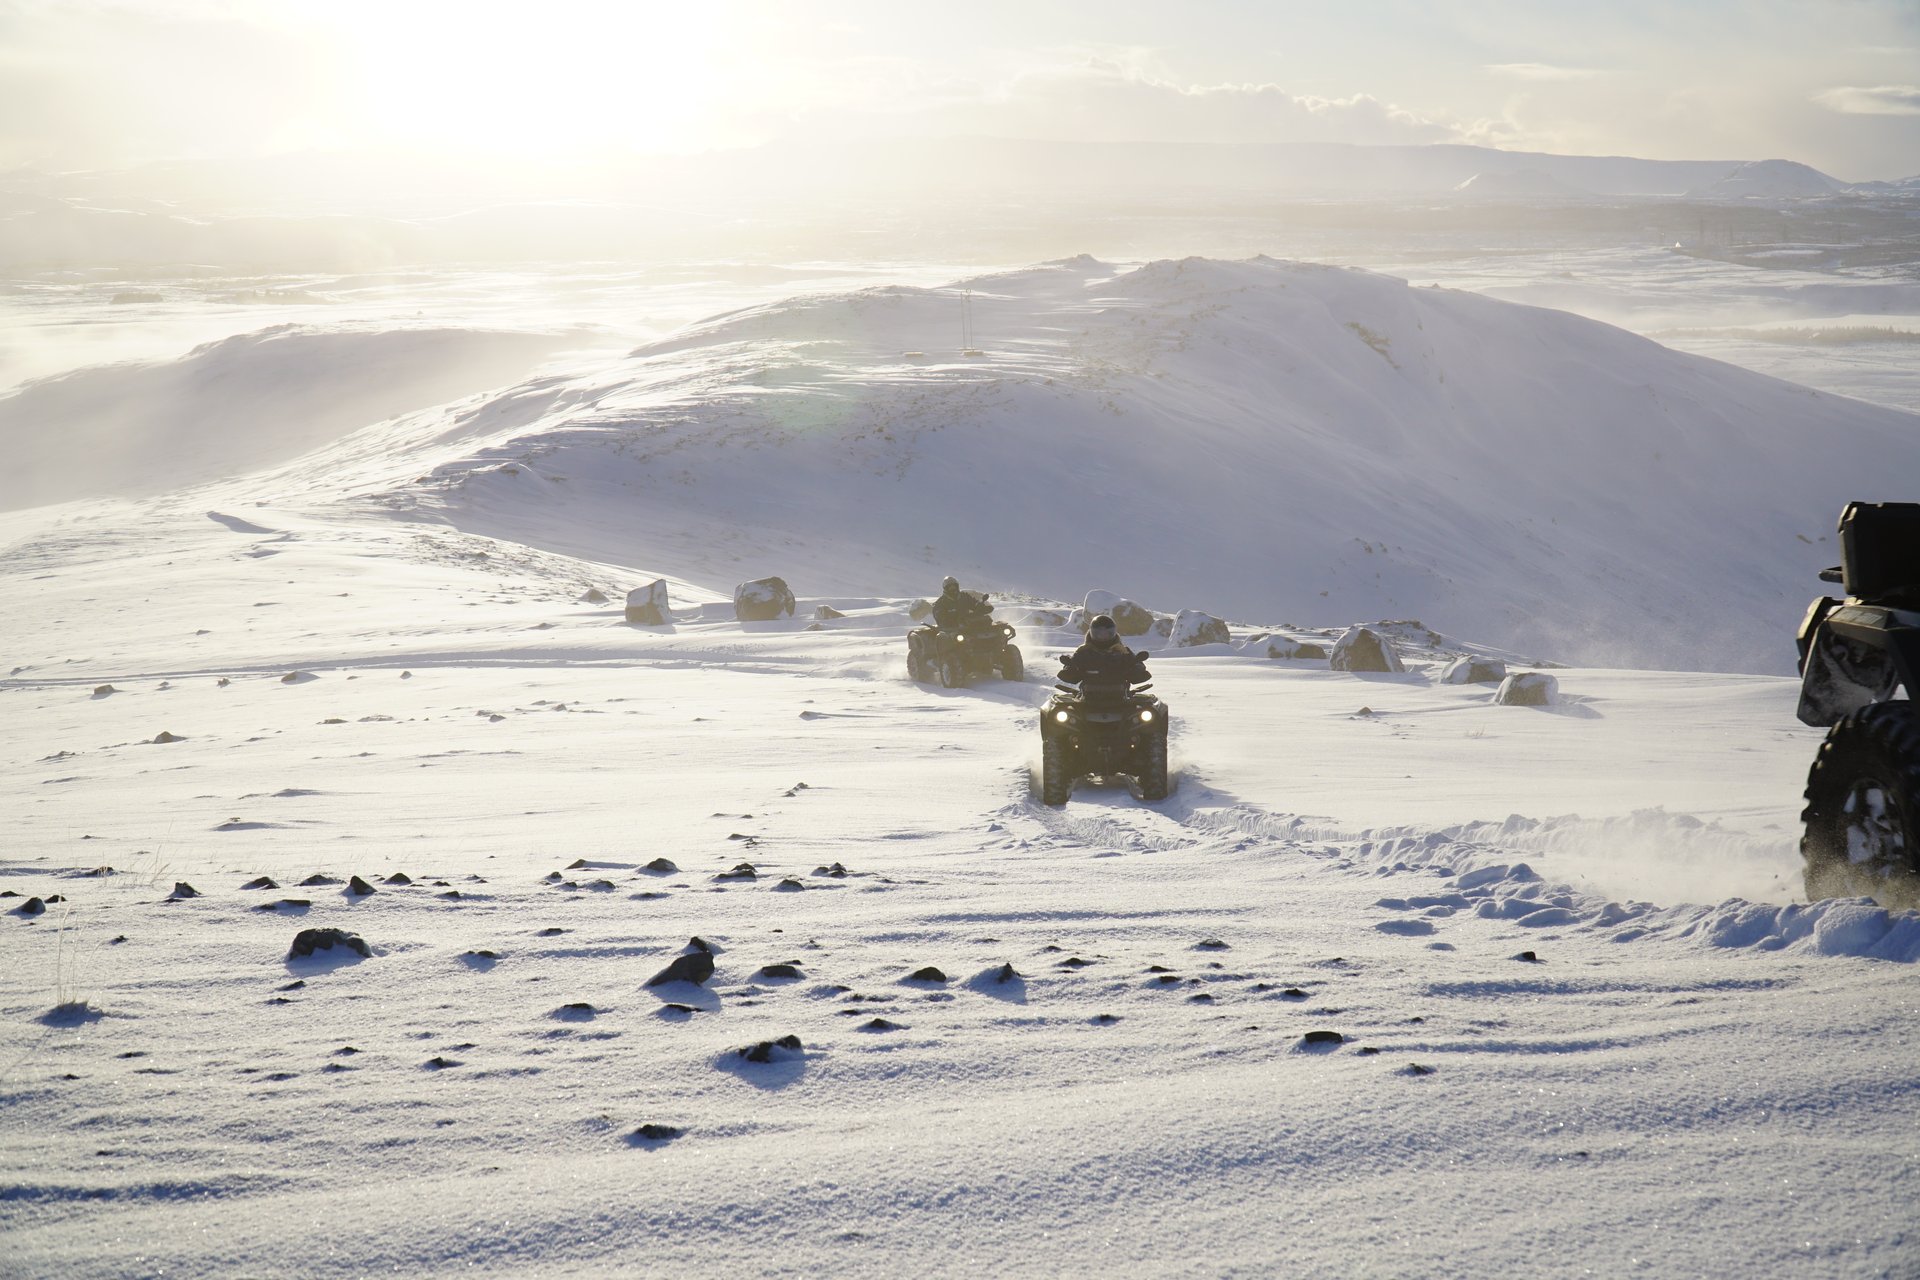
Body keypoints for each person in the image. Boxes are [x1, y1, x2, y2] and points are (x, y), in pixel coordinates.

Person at [1059, 614, 1149, 693]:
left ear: (1113, 632)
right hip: (1087, 700)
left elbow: (1138, 667)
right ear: (1092, 632)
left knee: (1152, 710)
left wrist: (1136, 667)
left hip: (1121, 699)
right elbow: (1070, 671)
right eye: (1099, 633)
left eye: (1107, 633)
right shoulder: (1083, 652)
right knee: (1057, 710)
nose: (1103, 636)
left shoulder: (1123, 651)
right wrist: (1070, 667)